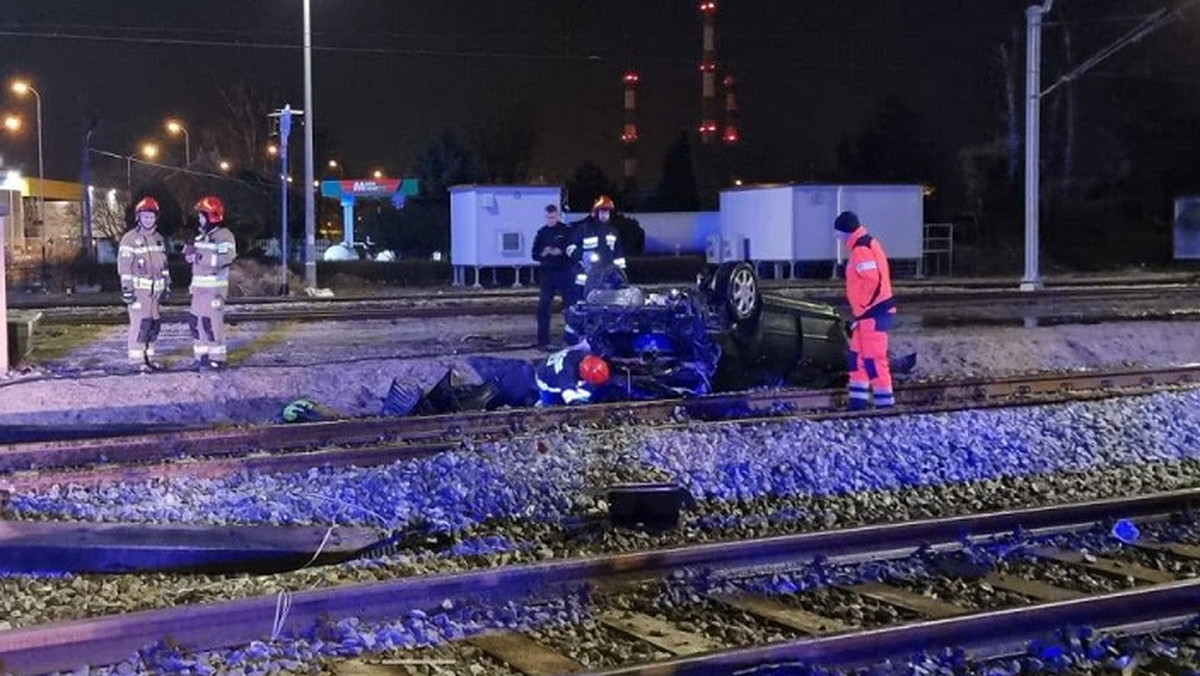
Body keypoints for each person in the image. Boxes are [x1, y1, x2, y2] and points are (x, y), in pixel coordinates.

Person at [835, 210, 896, 410]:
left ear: (845, 231)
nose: (836, 236)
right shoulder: (865, 244)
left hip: (871, 314)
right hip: (869, 314)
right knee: (859, 359)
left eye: (838, 232)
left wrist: (862, 309)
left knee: (873, 361)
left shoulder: (860, 249)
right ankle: (858, 403)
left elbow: (871, 280)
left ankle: (884, 406)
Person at [117, 196, 171, 372]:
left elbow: (164, 266)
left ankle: (150, 357)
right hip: (139, 292)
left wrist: (167, 285)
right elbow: (124, 267)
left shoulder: (159, 239)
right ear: (138, 217)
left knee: (153, 325)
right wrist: (127, 289)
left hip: (155, 293)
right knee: (141, 325)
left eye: (151, 216)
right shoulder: (129, 239)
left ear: (156, 218)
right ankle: (137, 360)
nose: (148, 219)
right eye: (145, 216)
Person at [185, 196, 237, 369]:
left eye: (202, 216)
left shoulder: (225, 236)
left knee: (212, 324)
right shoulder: (201, 237)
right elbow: (192, 259)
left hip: (214, 291)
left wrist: (200, 256)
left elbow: (226, 258)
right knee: (197, 323)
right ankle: (201, 357)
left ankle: (217, 358)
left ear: (211, 216)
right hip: (198, 292)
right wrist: (188, 251)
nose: (199, 220)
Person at [566, 195, 627, 300]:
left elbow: (618, 255)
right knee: (581, 306)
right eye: (602, 212)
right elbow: (569, 248)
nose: (605, 215)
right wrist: (583, 255)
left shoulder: (613, 232)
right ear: (595, 213)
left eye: (607, 212)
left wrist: (620, 274)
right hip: (585, 278)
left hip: (606, 279)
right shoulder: (584, 229)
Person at [531, 204, 574, 350]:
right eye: (549, 217)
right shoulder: (542, 233)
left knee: (570, 306)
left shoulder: (566, 231)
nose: (551, 220)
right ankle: (542, 341)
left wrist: (560, 252)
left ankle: (571, 339)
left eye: (553, 217)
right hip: (547, 274)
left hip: (564, 272)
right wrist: (544, 252)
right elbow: (534, 254)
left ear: (558, 215)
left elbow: (572, 251)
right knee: (543, 307)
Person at [534, 341, 612, 406]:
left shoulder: (581, 354)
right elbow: (568, 395)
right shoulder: (567, 374)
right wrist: (579, 403)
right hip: (546, 381)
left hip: (550, 365)